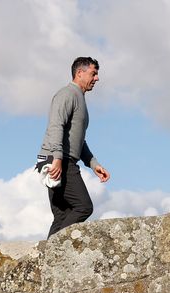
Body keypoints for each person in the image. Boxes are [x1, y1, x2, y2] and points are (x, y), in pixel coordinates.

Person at [37, 56, 110, 238]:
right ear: (79, 73)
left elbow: (79, 140)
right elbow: (56, 125)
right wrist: (58, 159)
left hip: (59, 158)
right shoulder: (67, 94)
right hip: (58, 160)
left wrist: (93, 164)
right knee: (83, 206)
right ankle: (55, 251)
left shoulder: (80, 99)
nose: (97, 78)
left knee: (62, 215)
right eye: (93, 73)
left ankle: (48, 260)